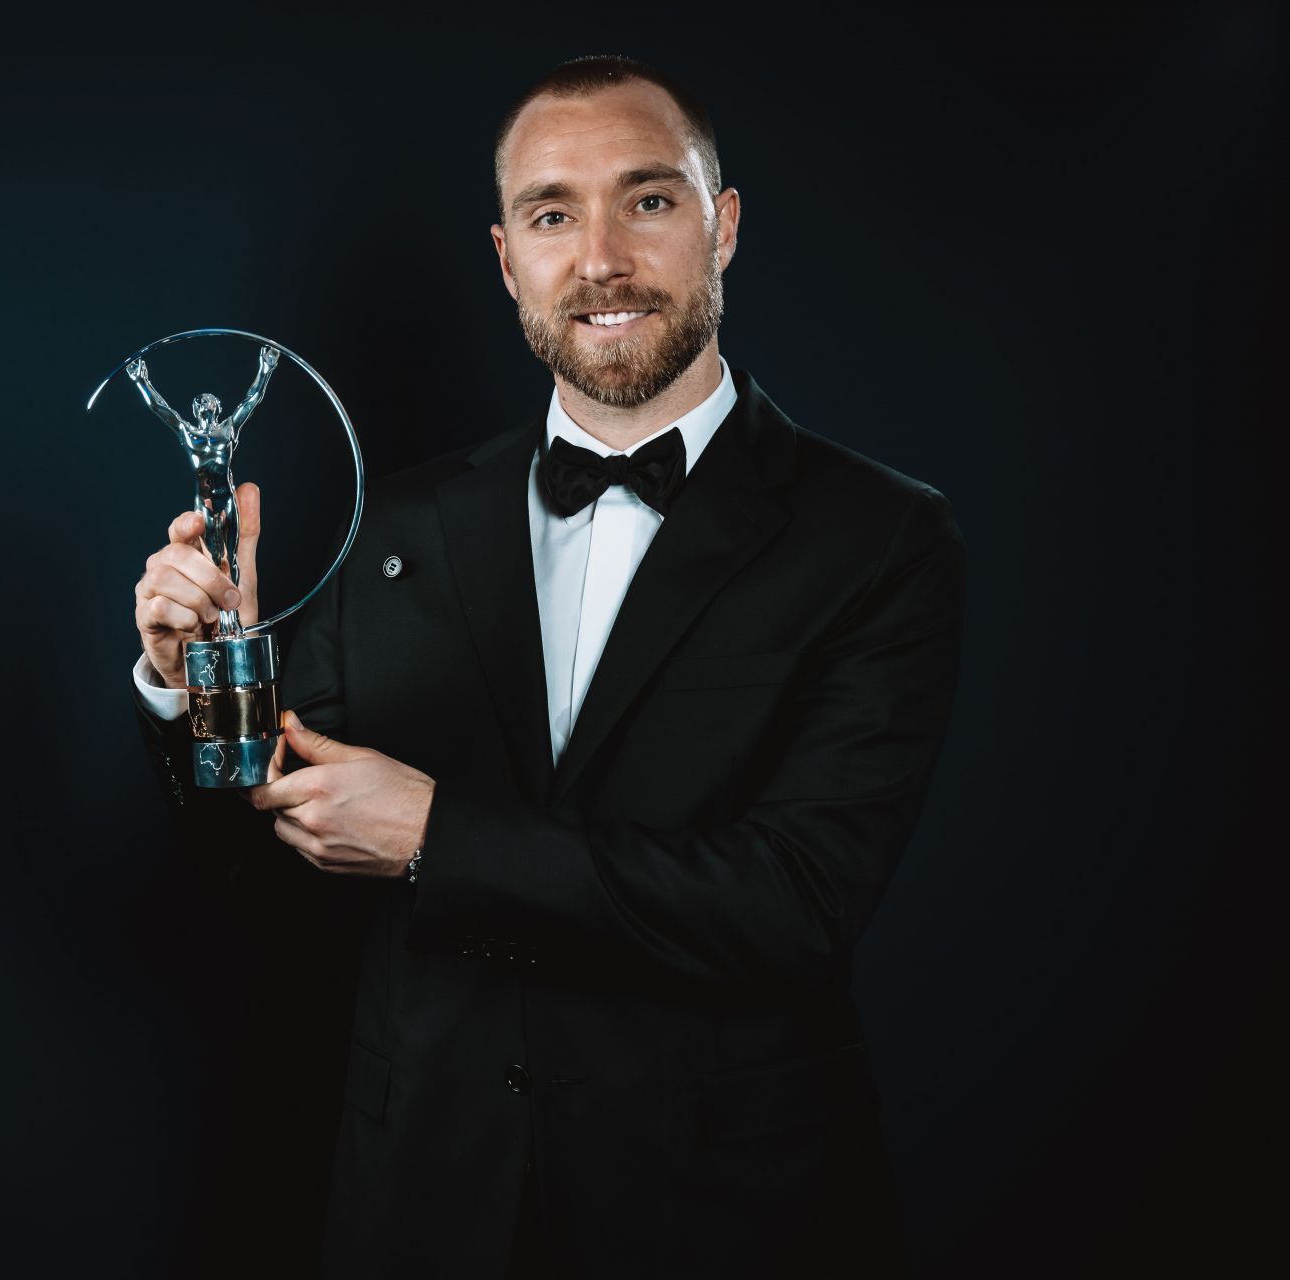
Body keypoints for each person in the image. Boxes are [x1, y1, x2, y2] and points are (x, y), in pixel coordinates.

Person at [128, 55, 963, 1278]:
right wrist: (203, 675)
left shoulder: (880, 537)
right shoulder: (397, 525)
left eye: (651, 200)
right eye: (554, 213)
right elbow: (264, 874)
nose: (603, 257)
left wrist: (435, 837)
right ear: (509, 255)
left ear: (723, 227)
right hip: (423, 1203)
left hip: (731, 1214)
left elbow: (794, 901)